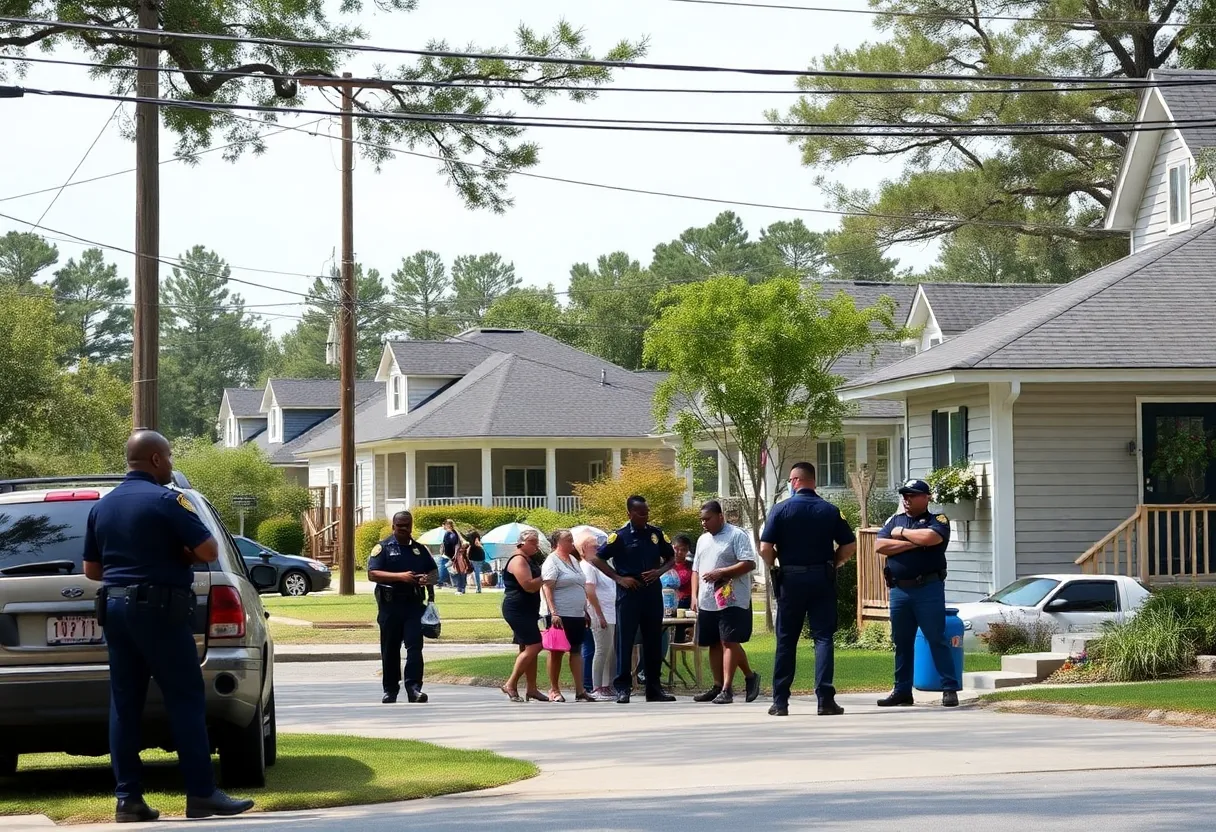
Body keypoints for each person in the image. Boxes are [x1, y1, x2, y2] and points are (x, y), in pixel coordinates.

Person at [82, 430, 254, 823]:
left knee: (124, 705)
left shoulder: (102, 507)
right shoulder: (168, 499)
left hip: (115, 608)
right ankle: (201, 794)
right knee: (185, 698)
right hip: (159, 610)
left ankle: (128, 800)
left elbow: (92, 570)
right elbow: (209, 551)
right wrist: (174, 555)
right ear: (157, 459)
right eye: (170, 457)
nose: (172, 464)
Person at [759, 461, 856, 717]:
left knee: (786, 640)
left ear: (794, 481)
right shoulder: (830, 510)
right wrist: (834, 563)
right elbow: (849, 545)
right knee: (823, 638)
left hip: (790, 580)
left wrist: (773, 564)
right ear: (813, 480)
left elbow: (764, 548)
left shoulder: (780, 510)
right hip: (821, 579)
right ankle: (825, 700)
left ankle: (780, 702)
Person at [875, 479, 960, 708]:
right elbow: (880, 545)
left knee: (935, 638)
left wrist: (901, 534)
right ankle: (902, 690)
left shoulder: (937, 520)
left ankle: (949, 688)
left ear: (926, 497)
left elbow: (932, 538)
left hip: (928, 589)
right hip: (899, 589)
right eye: (905, 495)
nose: (907, 498)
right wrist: (914, 543)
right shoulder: (894, 519)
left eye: (912, 495)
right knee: (902, 641)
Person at [589, 495, 677, 704]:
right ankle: (623, 688)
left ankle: (654, 688)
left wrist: (659, 571)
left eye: (647, 512)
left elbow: (671, 558)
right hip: (629, 592)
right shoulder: (619, 537)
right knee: (625, 640)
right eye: (640, 512)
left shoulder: (656, 534)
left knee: (653, 640)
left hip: (652, 590)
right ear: (629, 513)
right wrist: (619, 578)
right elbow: (597, 559)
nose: (645, 516)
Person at [692, 500, 761, 705]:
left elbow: (749, 563)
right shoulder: (703, 540)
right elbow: (696, 568)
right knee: (714, 642)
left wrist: (722, 572)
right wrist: (694, 595)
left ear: (720, 516)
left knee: (729, 641)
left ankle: (727, 689)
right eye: (702, 520)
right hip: (707, 599)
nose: (704, 523)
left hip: (732, 598)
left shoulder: (736, 535)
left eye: (708, 519)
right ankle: (729, 682)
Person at [368, 511, 439, 704]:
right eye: (400, 526)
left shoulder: (419, 550)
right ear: (393, 526)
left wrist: (426, 579)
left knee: (414, 647)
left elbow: (434, 573)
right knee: (390, 649)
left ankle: (414, 688)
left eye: (407, 525)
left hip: (414, 605)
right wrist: (401, 577)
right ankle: (390, 690)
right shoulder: (382, 548)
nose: (404, 529)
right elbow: (372, 574)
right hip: (390, 606)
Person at [540, 530, 593, 702]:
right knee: (556, 652)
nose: (571, 542)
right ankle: (554, 690)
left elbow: (580, 585)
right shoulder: (552, 561)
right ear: (557, 543)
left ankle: (580, 690)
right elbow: (548, 587)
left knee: (576, 650)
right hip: (560, 614)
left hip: (576, 613)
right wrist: (553, 612)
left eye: (572, 539)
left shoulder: (573, 560)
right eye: (567, 540)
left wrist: (584, 610)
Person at [500, 530, 548, 702]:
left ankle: (532, 689)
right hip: (517, 609)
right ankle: (510, 684)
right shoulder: (518, 560)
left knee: (527, 648)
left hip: (528, 609)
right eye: (533, 542)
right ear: (522, 543)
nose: (536, 545)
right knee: (535, 645)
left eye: (537, 541)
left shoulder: (529, 559)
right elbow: (528, 585)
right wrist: (546, 576)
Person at [578, 530, 617, 701]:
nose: (598, 548)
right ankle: (597, 686)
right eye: (594, 546)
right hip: (600, 613)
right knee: (601, 650)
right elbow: (590, 593)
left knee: (611, 651)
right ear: (584, 549)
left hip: (612, 612)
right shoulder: (587, 567)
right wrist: (599, 615)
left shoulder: (599, 565)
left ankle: (608, 685)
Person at [669, 534, 694, 642]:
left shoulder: (691, 566)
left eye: (683, 550)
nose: (679, 552)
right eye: (676, 548)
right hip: (667, 602)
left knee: (681, 635)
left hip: (685, 603)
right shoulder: (664, 565)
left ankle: (679, 653)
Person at [439, 519, 459, 587]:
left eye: (445, 524)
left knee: (443, 567)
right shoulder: (454, 532)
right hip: (451, 554)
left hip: (447, 554)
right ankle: (450, 582)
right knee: (449, 568)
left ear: (448, 525)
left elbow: (449, 543)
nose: (443, 526)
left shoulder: (448, 533)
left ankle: (440, 582)